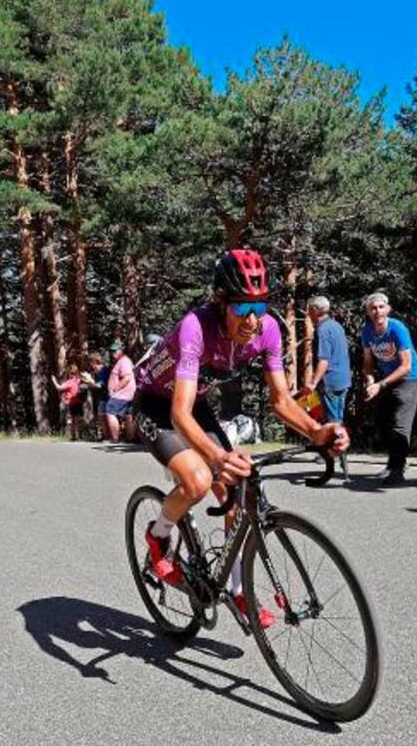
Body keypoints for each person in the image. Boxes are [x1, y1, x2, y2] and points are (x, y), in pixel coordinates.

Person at [134, 249, 349, 627]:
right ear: (221, 303)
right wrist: (216, 459)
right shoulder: (195, 327)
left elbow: (281, 400)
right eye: (241, 308)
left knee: (238, 493)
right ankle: (158, 535)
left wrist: (317, 431)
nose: (252, 319)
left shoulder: (267, 330)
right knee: (200, 480)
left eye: (260, 305)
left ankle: (237, 591)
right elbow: (178, 413)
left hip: (194, 403)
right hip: (156, 403)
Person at [359, 292, 417, 486]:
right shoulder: (367, 330)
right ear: (368, 312)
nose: (377, 311)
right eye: (373, 308)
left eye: (381, 307)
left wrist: (380, 384)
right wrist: (370, 380)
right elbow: (368, 362)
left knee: (400, 424)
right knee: (382, 421)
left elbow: (406, 366)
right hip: (387, 379)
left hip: (409, 378)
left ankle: (397, 469)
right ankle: (393, 462)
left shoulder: (397, 328)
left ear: (388, 309)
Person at [302, 296, 351, 484]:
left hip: (330, 380)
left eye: (309, 309)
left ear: (315, 310)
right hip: (343, 379)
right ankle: (337, 456)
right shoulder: (337, 326)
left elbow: (324, 360)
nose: (308, 313)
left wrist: (313, 382)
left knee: (332, 422)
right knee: (338, 419)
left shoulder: (322, 330)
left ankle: (333, 456)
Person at [105, 341, 136, 442]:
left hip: (122, 394)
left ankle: (115, 438)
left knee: (110, 411)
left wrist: (115, 389)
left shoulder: (124, 361)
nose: (112, 353)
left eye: (115, 351)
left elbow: (127, 378)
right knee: (129, 415)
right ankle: (130, 439)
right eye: (111, 351)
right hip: (127, 395)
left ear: (122, 350)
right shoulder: (123, 361)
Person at [52, 365, 85, 441]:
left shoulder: (69, 382)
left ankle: (73, 436)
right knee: (76, 420)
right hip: (78, 402)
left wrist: (54, 380)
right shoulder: (79, 381)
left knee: (71, 420)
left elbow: (59, 388)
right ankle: (77, 436)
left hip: (71, 403)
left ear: (69, 373)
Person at [84, 352, 111, 440]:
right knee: (101, 416)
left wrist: (90, 381)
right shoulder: (98, 371)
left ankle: (109, 437)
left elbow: (100, 385)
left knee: (103, 417)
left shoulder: (103, 370)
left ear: (94, 362)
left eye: (90, 362)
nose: (90, 365)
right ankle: (107, 436)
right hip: (101, 397)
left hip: (106, 396)